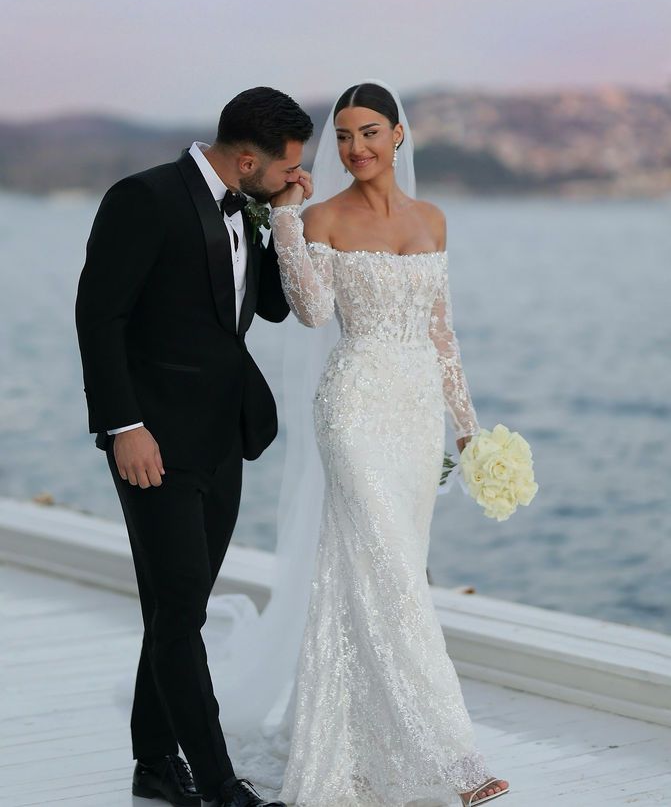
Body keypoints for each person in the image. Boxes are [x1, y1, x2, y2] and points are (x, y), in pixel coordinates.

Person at [266, 80, 510, 805]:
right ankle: (455, 757)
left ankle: (363, 745)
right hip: (353, 406)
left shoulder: (433, 219)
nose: (355, 148)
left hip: (414, 415)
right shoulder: (322, 217)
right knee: (396, 578)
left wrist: (467, 430)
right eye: (342, 136)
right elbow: (311, 312)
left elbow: (442, 333)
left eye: (369, 132)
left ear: (398, 135)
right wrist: (285, 220)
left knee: (376, 573)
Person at [75, 86, 313, 807]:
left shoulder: (251, 203)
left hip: (221, 438)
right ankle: (218, 785)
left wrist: (281, 215)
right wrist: (124, 427)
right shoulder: (141, 199)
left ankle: (153, 761)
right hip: (152, 442)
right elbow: (98, 316)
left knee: (181, 608)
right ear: (246, 159)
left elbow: (268, 305)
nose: (294, 179)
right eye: (285, 171)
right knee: (179, 608)